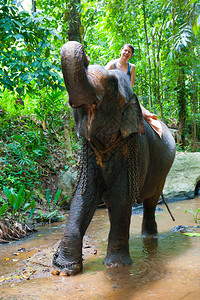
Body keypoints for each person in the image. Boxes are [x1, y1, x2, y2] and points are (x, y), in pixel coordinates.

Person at [105, 44, 162, 138]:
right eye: (125, 50)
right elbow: (103, 77)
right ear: (121, 50)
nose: (126, 53)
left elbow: (130, 86)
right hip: (112, 94)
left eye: (129, 52)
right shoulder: (112, 64)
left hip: (126, 96)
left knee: (145, 114)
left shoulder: (132, 67)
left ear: (131, 55)